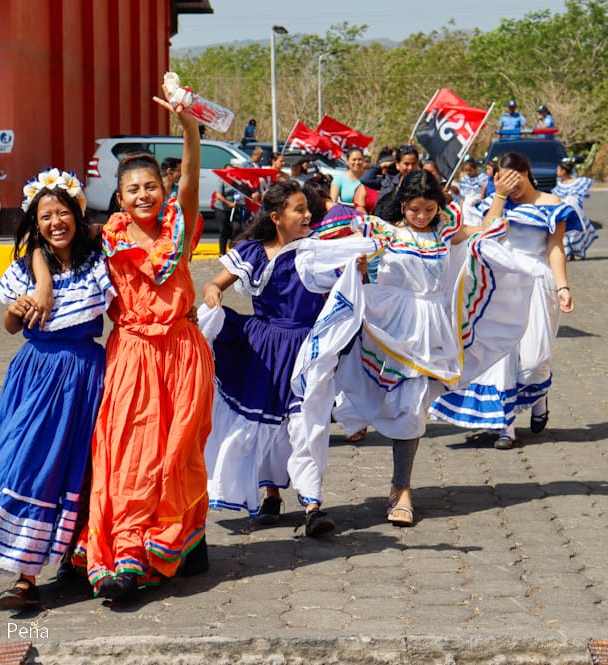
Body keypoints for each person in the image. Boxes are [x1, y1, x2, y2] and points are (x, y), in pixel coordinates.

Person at [304, 170, 534, 526]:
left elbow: (487, 233)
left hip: (432, 329)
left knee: (411, 407)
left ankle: (401, 488)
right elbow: (334, 237)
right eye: (415, 210)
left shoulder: (445, 230)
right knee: (372, 385)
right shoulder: (385, 231)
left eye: (429, 209)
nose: (422, 216)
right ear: (403, 204)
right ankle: (353, 410)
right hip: (389, 321)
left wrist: (500, 197)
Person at [64, 86, 214, 603]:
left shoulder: (181, 226)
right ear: (119, 195)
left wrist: (188, 124)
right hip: (131, 354)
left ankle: (182, 539)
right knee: (129, 455)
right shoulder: (105, 240)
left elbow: (191, 176)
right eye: (133, 190)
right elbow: (50, 237)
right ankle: (126, 553)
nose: (144, 195)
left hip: (183, 352)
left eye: (152, 186)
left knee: (179, 456)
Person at [0, 168, 114, 610]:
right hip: (36, 378)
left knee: (79, 469)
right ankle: (23, 574)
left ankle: (73, 561)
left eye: (63, 213)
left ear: (77, 215)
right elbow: (10, 326)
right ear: (34, 224)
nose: (55, 222)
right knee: (24, 466)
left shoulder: (97, 261)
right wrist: (22, 304)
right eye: (45, 217)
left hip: (85, 375)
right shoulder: (23, 269)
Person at [199, 181, 375, 536]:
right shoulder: (251, 251)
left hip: (304, 349)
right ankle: (271, 495)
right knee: (267, 423)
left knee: (306, 423)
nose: (308, 215)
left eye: (308, 209)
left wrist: (359, 270)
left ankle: (312, 504)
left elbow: (347, 286)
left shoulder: (316, 252)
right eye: (299, 209)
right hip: (261, 348)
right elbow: (214, 284)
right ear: (277, 217)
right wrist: (213, 293)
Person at [430, 153, 576, 450]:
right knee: (502, 356)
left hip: (537, 282)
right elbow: (487, 234)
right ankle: (505, 428)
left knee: (534, 360)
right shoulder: (498, 204)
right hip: (502, 283)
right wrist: (498, 195)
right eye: (503, 179)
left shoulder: (554, 205)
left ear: (526, 172)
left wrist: (563, 286)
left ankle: (539, 394)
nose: (512, 186)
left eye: (515, 179)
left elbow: (555, 247)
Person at [553, 157, 598, 259]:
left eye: (558, 170)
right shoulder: (559, 186)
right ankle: (569, 253)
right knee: (565, 232)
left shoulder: (578, 182)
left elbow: (581, 196)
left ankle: (574, 252)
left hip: (575, 213)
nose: (557, 172)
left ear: (564, 171)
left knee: (574, 232)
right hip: (564, 214)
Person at [372, 144, 419, 223]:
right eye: (406, 164)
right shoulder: (389, 183)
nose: (410, 168)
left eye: (413, 164)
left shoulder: (423, 184)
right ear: (397, 165)